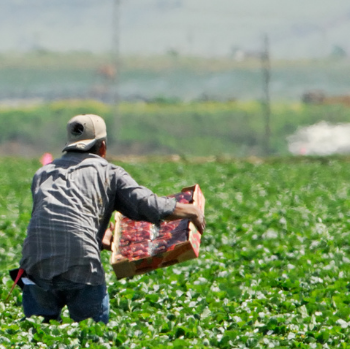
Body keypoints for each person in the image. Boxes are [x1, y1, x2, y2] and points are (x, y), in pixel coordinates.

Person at [15, 114, 206, 324]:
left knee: (40, 338)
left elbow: (57, 215)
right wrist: (191, 211)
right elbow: (146, 205)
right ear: (103, 147)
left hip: (35, 267)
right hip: (81, 267)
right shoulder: (109, 172)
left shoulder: (43, 173)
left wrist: (98, 234)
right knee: (93, 339)